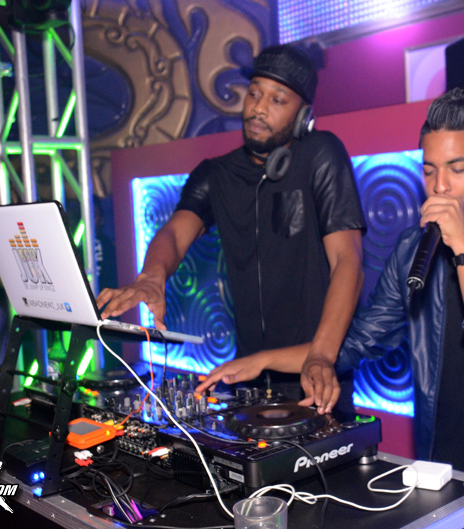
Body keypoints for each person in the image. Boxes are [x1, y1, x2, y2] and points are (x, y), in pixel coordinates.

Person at [196, 88, 464, 501]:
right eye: (429, 170)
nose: (440, 186)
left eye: (457, 168)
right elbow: (360, 340)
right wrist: (262, 361)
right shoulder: (413, 249)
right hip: (446, 461)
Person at [97, 44, 366, 413]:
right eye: (254, 94)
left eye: (277, 100)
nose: (258, 108)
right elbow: (174, 233)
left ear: (303, 114)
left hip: (316, 373)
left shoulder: (321, 155)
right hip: (248, 376)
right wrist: (152, 277)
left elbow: (347, 262)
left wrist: (321, 354)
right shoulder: (215, 174)